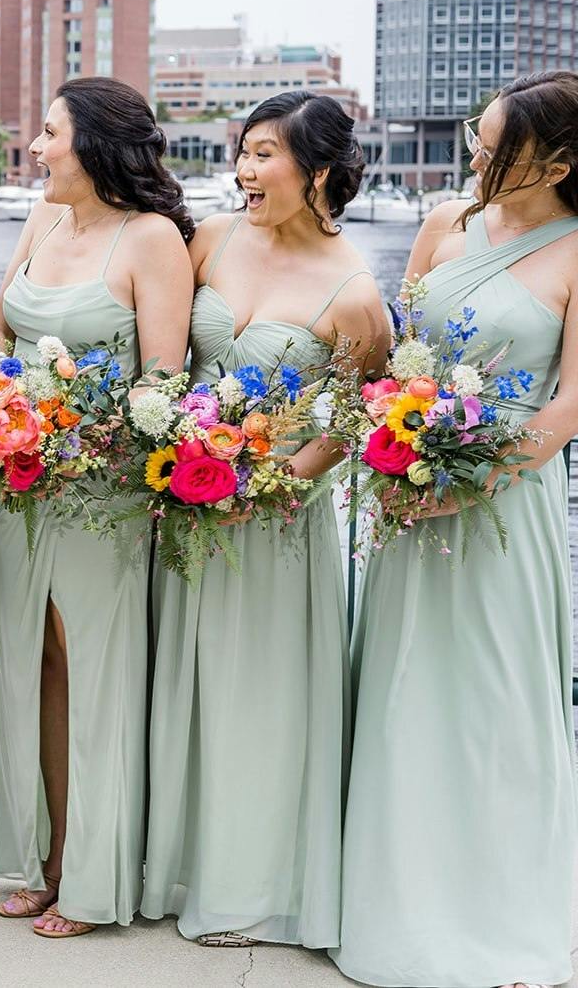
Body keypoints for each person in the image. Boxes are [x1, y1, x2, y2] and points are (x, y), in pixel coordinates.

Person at [334, 70, 578, 988]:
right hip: (409, 494)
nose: (474, 155)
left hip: (502, 507)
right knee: (407, 692)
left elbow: (570, 405)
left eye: (493, 144)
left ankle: (504, 924)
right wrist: (391, 438)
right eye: (476, 137)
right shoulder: (443, 225)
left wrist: (467, 483)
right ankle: (398, 905)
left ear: (555, 161)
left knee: (493, 701)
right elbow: (399, 356)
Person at [141, 92, 388, 949]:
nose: (244, 172)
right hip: (189, 506)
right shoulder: (209, 239)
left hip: (279, 521)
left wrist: (278, 478)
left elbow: (358, 415)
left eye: (264, 155)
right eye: (242, 153)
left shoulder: (356, 293)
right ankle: (177, 867)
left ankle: (255, 889)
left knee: (262, 702)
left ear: (317, 170)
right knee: (193, 685)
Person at [0, 78, 192, 938]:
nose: (35, 149)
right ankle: (47, 856)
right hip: (18, 482)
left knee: (95, 673)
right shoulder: (42, 221)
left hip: (100, 493)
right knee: (36, 668)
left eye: (48, 134)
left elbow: (163, 383)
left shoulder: (151, 241)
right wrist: (1, 409)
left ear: (98, 143)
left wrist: (78, 433)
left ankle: (97, 875)